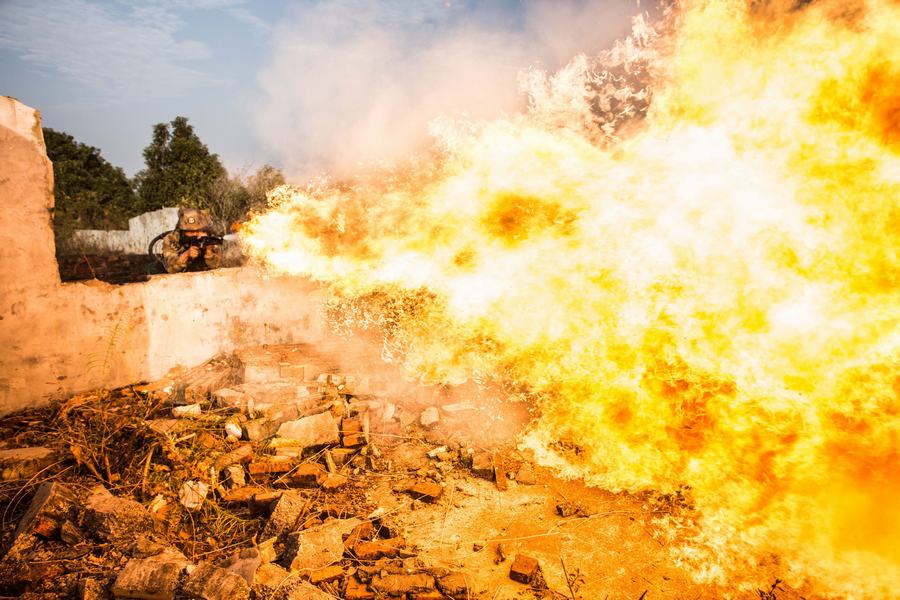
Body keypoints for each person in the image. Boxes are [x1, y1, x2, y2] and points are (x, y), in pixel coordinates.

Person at [161, 208, 222, 273]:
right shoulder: (171, 239)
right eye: (190, 232)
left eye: (198, 230)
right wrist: (186, 255)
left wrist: (209, 251)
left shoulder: (209, 238)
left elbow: (215, 266)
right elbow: (171, 269)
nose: (195, 234)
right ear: (183, 231)